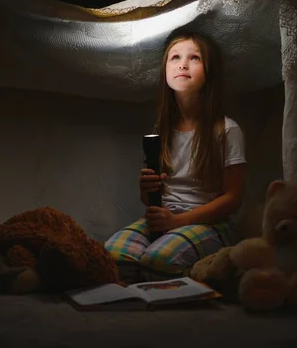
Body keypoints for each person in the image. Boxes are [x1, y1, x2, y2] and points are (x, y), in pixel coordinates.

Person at [104, 30, 247, 283]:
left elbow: (233, 197)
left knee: (157, 262)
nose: (183, 63)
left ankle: (201, 273)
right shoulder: (162, 131)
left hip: (209, 224)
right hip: (165, 219)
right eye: (175, 57)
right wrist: (146, 189)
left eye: (195, 58)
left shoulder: (226, 129)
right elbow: (151, 200)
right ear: (165, 71)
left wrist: (177, 221)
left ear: (209, 71)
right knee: (113, 257)